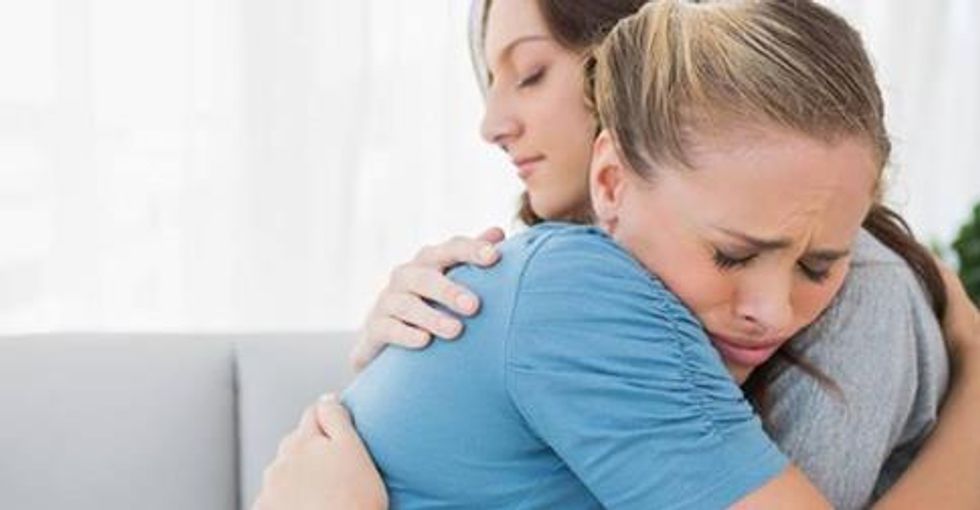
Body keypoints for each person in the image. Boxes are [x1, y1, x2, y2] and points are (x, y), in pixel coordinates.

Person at [254, 0, 980, 508]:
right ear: (612, 180)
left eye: (531, 72)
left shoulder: (862, 290)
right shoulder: (568, 288)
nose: (493, 123)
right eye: (731, 255)